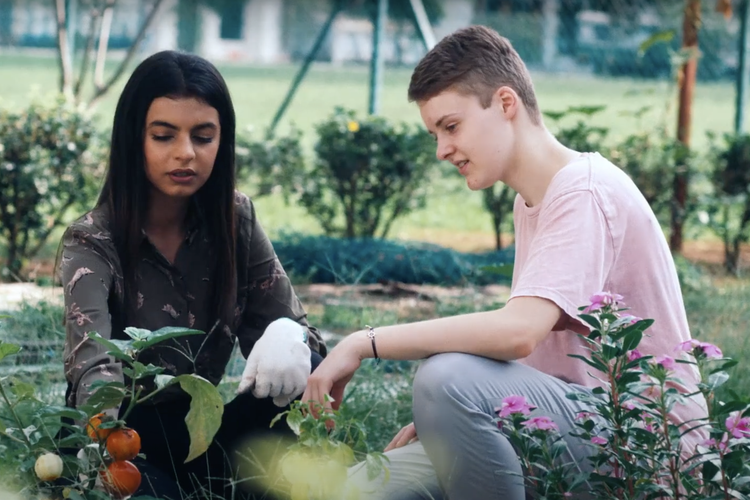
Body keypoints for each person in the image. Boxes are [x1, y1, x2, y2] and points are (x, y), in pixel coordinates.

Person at [301, 25, 707, 500]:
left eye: (451, 126)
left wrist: (362, 343)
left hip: (644, 451)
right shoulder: (533, 197)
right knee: (354, 490)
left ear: (506, 103)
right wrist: (456, 416)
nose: (442, 150)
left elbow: (519, 332)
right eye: (435, 133)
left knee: (444, 376)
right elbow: (540, 348)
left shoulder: (584, 192)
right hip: (572, 426)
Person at [59, 50, 326, 500]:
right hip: (121, 441)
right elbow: (94, 368)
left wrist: (288, 335)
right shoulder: (91, 242)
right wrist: (105, 438)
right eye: (163, 136)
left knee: (308, 370)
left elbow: (306, 341)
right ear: (133, 139)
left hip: (201, 433)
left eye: (203, 137)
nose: (185, 153)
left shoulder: (234, 220)